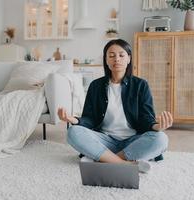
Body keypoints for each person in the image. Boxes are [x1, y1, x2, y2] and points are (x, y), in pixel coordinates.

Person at [58, 39, 173, 172]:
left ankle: (103, 159)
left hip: (132, 141)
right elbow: (90, 119)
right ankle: (125, 164)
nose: (116, 59)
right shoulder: (96, 86)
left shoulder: (141, 85)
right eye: (111, 55)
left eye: (121, 55)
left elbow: (145, 118)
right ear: (106, 60)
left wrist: (157, 126)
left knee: (161, 139)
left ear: (129, 58)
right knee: (73, 132)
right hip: (104, 141)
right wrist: (74, 120)